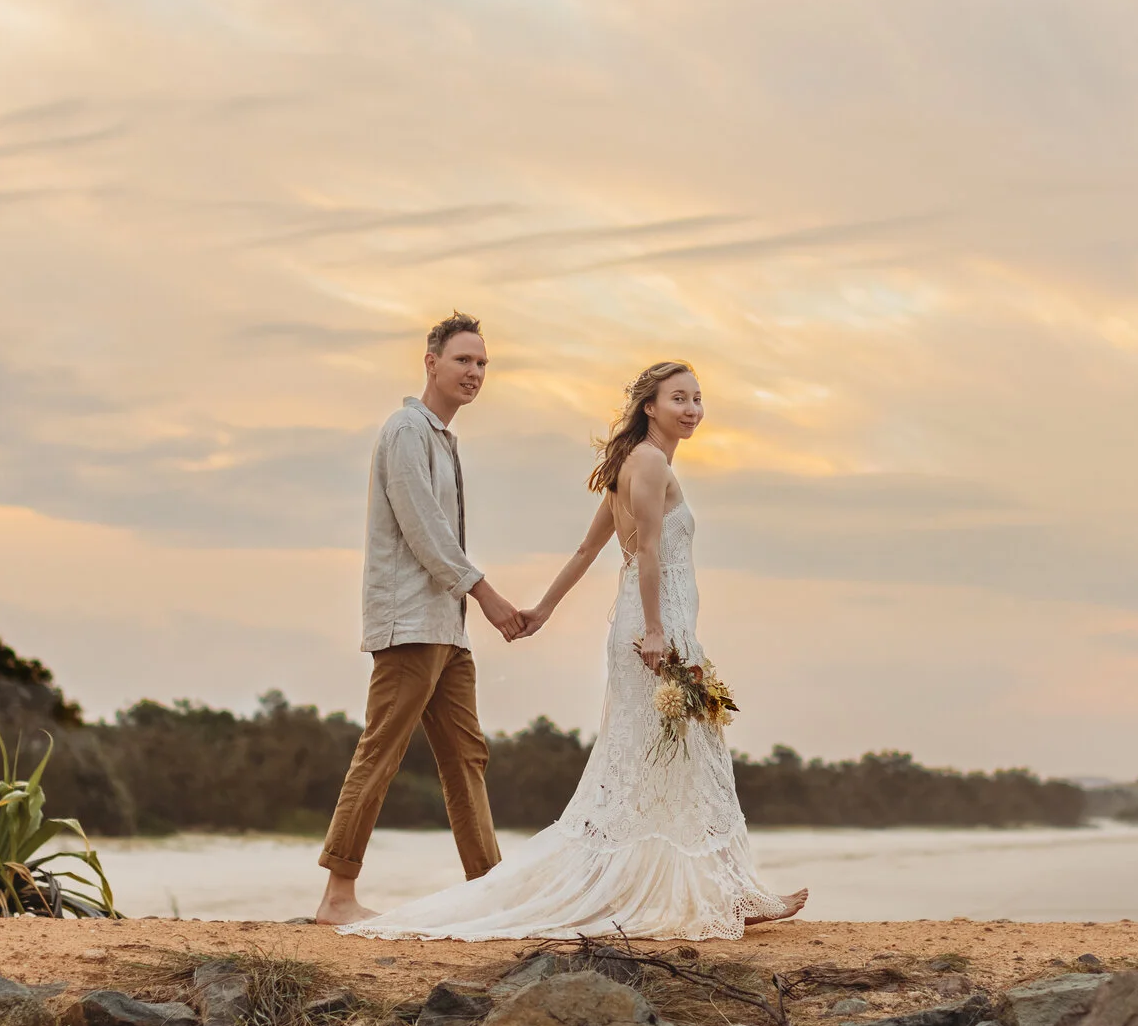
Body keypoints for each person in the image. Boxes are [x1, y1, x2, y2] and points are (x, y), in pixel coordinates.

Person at [342, 359, 808, 940]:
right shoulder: (650, 463)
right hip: (654, 634)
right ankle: (724, 891)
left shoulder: (634, 462)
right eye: (678, 399)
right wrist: (659, 631)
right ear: (650, 407)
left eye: (696, 399)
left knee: (677, 758)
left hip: (657, 628)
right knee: (682, 755)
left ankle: (729, 889)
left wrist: (542, 610)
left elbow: (588, 551)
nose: (691, 409)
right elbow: (648, 557)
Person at [313, 312, 529, 927]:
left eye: (482, 363)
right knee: (381, 750)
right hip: (410, 621)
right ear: (430, 363)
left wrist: (469, 605)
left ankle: (491, 890)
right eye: (464, 360)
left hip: (447, 625)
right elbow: (424, 529)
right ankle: (337, 896)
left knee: (467, 755)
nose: (475, 372)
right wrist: (486, 593)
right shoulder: (407, 431)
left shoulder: (442, 439)